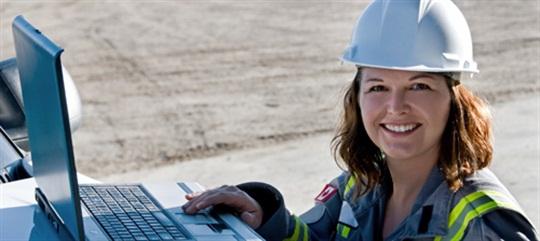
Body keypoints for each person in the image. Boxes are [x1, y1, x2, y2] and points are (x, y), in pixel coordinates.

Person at [182, 0, 538, 240]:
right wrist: (264, 216)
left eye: (419, 86)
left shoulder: (484, 221)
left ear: (454, 100)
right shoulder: (360, 184)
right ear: (357, 97)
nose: (396, 106)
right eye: (378, 87)